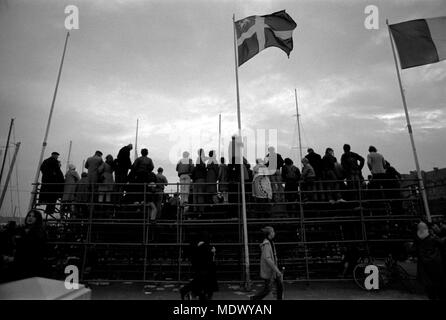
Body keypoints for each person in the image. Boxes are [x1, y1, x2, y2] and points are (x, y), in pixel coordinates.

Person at [413, 222, 446, 300]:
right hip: (435, 264)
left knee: (429, 285)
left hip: (424, 265)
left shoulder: (417, 239)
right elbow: (442, 243)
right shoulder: (433, 238)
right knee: (438, 283)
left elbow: (414, 250)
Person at [180, 232, 218, 300]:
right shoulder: (203, 246)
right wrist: (212, 253)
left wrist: (213, 253)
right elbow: (209, 258)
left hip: (201, 266)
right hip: (203, 266)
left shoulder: (198, 245)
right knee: (201, 280)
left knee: (200, 280)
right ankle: (200, 294)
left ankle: (196, 293)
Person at [250, 226, 283, 300]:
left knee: (279, 286)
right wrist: (276, 270)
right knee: (268, 289)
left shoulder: (270, 242)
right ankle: (254, 298)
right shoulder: (267, 244)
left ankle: (254, 298)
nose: (274, 233)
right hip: (270, 271)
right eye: (273, 231)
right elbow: (268, 259)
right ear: (269, 233)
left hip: (272, 270)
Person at [13, 210, 47, 280]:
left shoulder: (40, 232)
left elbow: (35, 249)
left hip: (31, 265)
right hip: (18, 264)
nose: (30, 218)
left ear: (37, 219)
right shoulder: (21, 230)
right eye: (29, 216)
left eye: (33, 216)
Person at [39, 152, 65, 216]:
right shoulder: (55, 162)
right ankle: (49, 211)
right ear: (54, 155)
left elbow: (42, 168)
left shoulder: (45, 161)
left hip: (46, 182)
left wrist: (47, 174)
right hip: (54, 184)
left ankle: (43, 203)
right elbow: (58, 173)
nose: (57, 157)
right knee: (53, 198)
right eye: (57, 156)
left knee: (48, 196)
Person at [192, 149, 207, 214]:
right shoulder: (202, 160)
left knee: (195, 196)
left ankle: (196, 210)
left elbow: (195, 169)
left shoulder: (198, 160)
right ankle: (201, 210)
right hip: (201, 179)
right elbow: (203, 169)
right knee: (200, 195)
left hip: (196, 180)